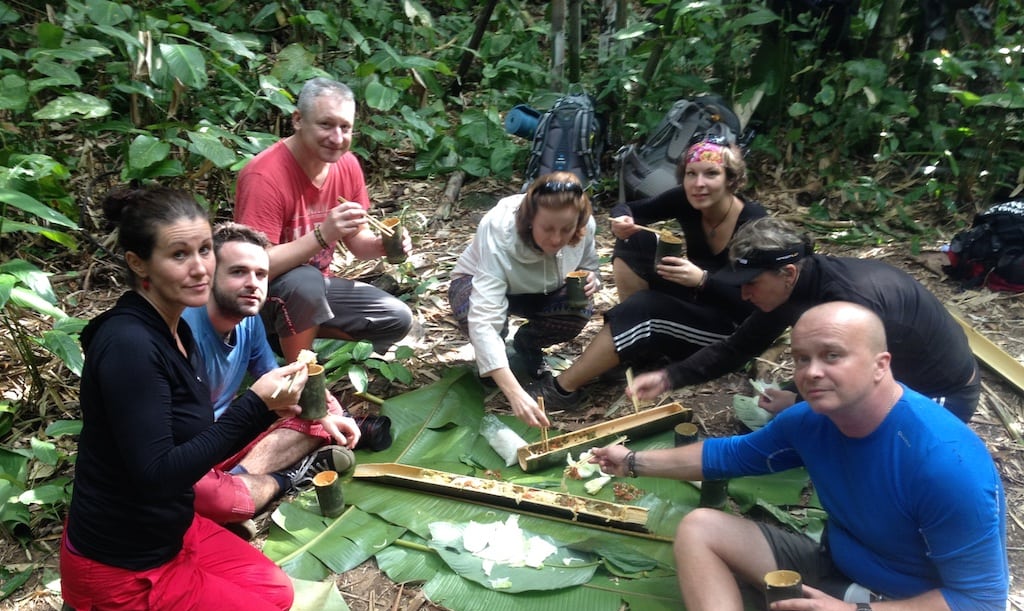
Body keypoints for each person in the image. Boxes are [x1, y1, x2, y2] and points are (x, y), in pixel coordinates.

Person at [591, 302, 1008, 611]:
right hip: (836, 570)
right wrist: (630, 461)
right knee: (701, 527)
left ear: (880, 365)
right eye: (800, 358)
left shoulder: (945, 463)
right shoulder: (810, 421)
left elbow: (981, 605)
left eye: (832, 356)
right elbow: (727, 456)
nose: (811, 372)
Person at [48, 186, 307, 611]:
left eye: (205, 250)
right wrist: (254, 407)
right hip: (123, 564)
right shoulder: (129, 344)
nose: (199, 268)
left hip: (171, 527)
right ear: (138, 263)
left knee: (276, 593)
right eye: (178, 255)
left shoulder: (174, 327)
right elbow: (157, 471)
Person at [630, 217, 981, 421]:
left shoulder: (849, 302)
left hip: (940, 393)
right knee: (778, 415)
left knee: (842, 433)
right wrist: (669, 377)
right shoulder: (794, 286)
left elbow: (864, 389)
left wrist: (799, 402)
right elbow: (738, 347)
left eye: (751, 283)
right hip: (876, 375)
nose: (744, 294)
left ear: (788, 272)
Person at [528, 138, 766, 409]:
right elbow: (628, 208)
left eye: (711, 174)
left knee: (645, 308)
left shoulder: (753, 221)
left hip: (729, 328)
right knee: (634, 241)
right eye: (691, 174)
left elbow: (757, 306)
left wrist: (703, 280)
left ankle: (560, 390)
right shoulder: (686, 200)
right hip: (697, 299)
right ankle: (637, 350)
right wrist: (623, 222)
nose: (699, 183)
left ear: (731, 180)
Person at [183, 222, 377, 535]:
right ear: (208, 274)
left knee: (326, 415)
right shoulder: (182, 332)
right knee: (202, 493)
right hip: (189, 452)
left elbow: (275, 381)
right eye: (237, 272)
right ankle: (282, 479)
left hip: (229, 439)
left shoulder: (248, 322)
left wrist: (322, 412)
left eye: (261, 274)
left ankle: (236, 486)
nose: (252, 283)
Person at [235, 77, 413, 362]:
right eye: (326, 125)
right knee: (305, 281)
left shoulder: (347, 165)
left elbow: (357, 242)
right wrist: (322, 235)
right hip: (260, 298)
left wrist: (383, 244)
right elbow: (251, 266)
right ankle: (300, 373)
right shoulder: (264, 176)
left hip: (315, 290)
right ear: (298, 120)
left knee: (395, 317)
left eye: (345, 127)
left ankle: (290, 342)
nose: (337, 138)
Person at [448, 171, 600, 428]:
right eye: (547, 228)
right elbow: (484, 317)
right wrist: (513, 392)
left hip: (545, 291)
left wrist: (592, 278)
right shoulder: (498, 228)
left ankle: (528, 343)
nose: (556, 239)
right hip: (479, 283)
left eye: (566, 230)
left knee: (579, 307)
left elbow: (590, 265)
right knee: (472, 312)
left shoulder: (586, 226)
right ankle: (498, 359)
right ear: (530, 220)